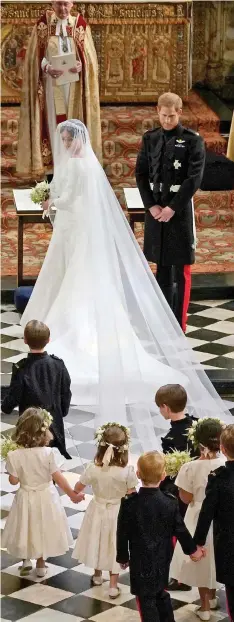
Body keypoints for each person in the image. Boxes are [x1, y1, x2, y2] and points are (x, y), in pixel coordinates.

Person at [20, 119, 232, 450]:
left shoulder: (78, 168)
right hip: (77, 230)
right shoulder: (85, 164)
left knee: (77, 280)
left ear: (77, 140)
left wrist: (51, 203)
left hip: (76, 228)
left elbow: (73, 200)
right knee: (75, 276)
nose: (66, 146)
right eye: (63, 140)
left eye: (68, 140)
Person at [135, 91, 205, 332]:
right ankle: (162, 322)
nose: (167, 121)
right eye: (163, 116)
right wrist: (151, 205)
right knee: (161, 266)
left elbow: (193, 178)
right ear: (157, 111)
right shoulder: (150, 138)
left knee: (181, 268)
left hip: (179, 212)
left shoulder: (193, 140)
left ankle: (179, 324)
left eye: (171, 116)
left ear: (180, 113)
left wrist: (172, 208)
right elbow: (141, 174)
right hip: (155, 211)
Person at [16, 0, 101, 179]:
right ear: (52, 4)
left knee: (72, 122)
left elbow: (90, 59)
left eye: (66, 4)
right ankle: (53, 170)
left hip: (74, 87)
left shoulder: (80, 25)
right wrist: (47, 67)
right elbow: (34, 57)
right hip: (50, 84)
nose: (63, 9)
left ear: (72, 4)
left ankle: (74, 168)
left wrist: (81, 64)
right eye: (58, 4)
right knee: (53, 122)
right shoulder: (43, 25)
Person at [116, 451, 204, 622]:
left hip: (139, 562)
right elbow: (181, 530)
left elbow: (122, 532)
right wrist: (193, 550)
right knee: (160, 593)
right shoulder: (169, 502)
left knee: (146, 600)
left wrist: (122, 556)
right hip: (162, 559)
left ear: (138, 474)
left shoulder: (129, 503)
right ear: (164, 476)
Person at [2, 408, 84, 577]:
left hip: (25, 497)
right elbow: (58, 478)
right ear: (44, 432)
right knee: (42, 527)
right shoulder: (49, 453)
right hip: (46, 497)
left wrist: (13, 472)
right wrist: (72, 494)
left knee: (26, 525)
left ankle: (25, 559)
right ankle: (40, 563)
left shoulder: (14, 455)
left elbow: (14, 481)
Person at [72, 423, 138, 599]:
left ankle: (97, 575)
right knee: (115, 545)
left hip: (97, 509)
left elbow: (78, 487)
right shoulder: (127, 471)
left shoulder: (93, 468)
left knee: (98, 540)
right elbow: (132, 495)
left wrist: (76, 493)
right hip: (118, 512)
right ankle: (114, 585)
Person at [170, 418, 225, 621]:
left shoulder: (189, 467)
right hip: (221, 516)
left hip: (198, 516)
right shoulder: (224, 464)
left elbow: (186, 498)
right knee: (216, 557)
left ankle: (204, 606)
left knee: (201, 559)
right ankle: (212, 596)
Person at [1, 320, 72, 460]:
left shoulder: (21, 368)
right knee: (51, 462)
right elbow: (66, 391)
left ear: (25, 340)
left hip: (29, 427)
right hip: (53, 424)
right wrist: (62, 411)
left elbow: (15, 395)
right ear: (48, 340)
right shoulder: (58, 365)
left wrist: (6, 407)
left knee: (30, 462)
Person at [156, 383, 199, 590]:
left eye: (159, 407)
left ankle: (179, 576)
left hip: (179, 489)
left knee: (175, 530)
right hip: (199, 485)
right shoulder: (196, 425)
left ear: (165, 407)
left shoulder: (173, 438)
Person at [194, 424, 234, 622]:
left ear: (223, 449)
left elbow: (206, 514)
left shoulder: (218, 479)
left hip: (228, 545)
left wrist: (197, 543)